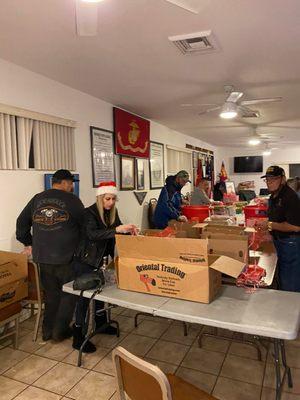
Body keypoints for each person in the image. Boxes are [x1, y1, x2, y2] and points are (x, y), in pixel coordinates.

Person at [16, 169, 84, 341]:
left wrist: (28, 242)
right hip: (66, 257)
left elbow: (21, 222)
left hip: (43, 257)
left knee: (51, 295)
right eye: (71, 183)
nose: (71, 187)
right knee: (69, 294)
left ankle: (47, 332)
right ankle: (59, 332)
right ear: (65, 182)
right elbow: (85, 227)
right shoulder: (73, 201)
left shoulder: (37, 198)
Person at [73, 181, 138, 353]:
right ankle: (78, 334)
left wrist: (129, 231)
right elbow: (92, 234)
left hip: (101, 259)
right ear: (100, 198)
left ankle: (101, 322)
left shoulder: (112, 213)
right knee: (84, 299)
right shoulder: (89, 213)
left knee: (101, 291)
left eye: (113, 199)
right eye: (107, 199)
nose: (110, 202)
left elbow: (117, 231)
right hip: (86, 261)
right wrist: (118, 229)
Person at [257, 166, 300, 292]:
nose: (269, 182)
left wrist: (270, 225)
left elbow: (296, 227)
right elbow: (276, 218)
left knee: (290, 282)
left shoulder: (290, 197)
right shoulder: (274, 196)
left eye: (273, 179)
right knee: (280, 278)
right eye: (267, 180)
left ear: (282, 179)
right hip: (279, 241)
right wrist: (270, 233)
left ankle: (292, 309)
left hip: (290, 243)